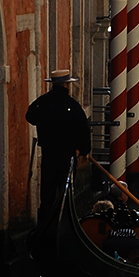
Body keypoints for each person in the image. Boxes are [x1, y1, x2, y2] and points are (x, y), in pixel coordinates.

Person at [26, 69, 92, 224]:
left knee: (47, 192)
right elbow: (83, 128)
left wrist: (45, 123)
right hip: (67, 155)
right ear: (65, 84)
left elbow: (30, 117)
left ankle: (45, 222)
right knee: (66, 191)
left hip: (48, 154)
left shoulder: (42, 102)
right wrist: (84, 151)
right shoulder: (72, 105)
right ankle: (65, 222)